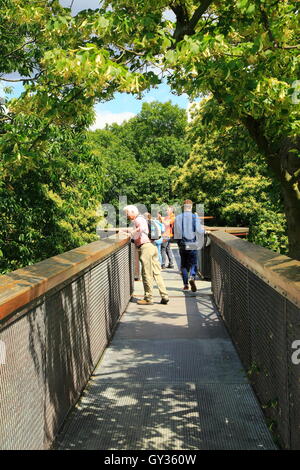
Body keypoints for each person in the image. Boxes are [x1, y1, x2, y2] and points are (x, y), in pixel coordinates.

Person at [123, 205, 169, 305]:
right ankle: (164, 295)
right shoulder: (142, 218)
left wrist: (131, 233)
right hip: (152, 246)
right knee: (156, 272)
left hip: (145, 248)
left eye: (127, 213)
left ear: (132, 212)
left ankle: (148, 298)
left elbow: (142, 228)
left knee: (146, 273)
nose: (126, 215)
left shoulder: (138, 219)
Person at [174, 199, 204, 292]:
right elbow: (199, 230)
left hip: (182, 244)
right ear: (191, 207)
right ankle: (192, 276)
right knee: (193, 263)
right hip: (192, 243)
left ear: (184, 207)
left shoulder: (178, 217)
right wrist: (205, 231)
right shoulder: (194, 217)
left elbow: (176, 232)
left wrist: (179, 243)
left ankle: (186, 285)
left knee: (183, 265)